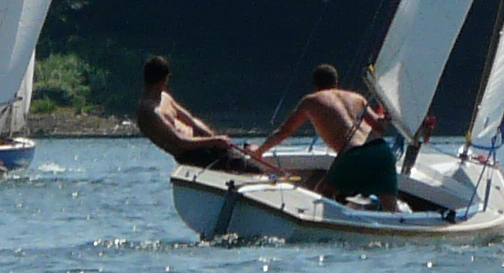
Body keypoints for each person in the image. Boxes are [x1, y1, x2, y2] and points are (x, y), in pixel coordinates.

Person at [255, 64, 404, 209]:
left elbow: (284, 132)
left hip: (354, 155)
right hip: (382, 151)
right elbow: (379, 126)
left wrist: (259, 152)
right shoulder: (357, 98)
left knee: (322, 194)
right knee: (391, 208)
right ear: (336, 83)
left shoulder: (311, 101)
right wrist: (386, 114)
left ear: (314, 85)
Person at [135, 56, 268, 175]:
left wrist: (212, 136)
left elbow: (191, 120)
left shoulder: (165, 97)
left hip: (206, 144)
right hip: (192, 154)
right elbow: (180, 142)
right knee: (250, 168)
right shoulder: (150, 111)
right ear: (164, 79)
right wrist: (215, 141)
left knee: (243, 154)